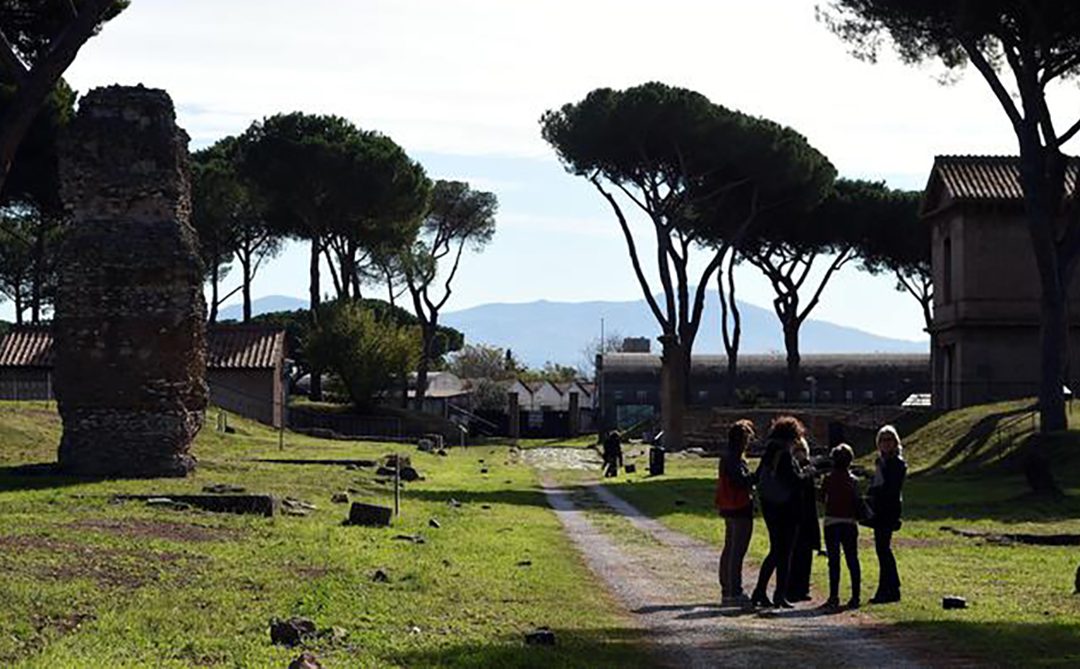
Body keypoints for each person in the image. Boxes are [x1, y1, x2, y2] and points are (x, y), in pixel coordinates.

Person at [750, 416, 808, 609]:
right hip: (785, 507)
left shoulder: (768, 452)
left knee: (776, 550)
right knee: (784, 551)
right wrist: (808, 473)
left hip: (769, 505)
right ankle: (778, 594)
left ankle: (761, 591)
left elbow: (758, 477)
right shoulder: (784, 454)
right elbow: (794, 481)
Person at [716, 419, 757, 607]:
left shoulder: (726, 457)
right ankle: (734, 591)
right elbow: (740, 481)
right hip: (739, 507)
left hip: (728, 506)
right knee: (737, 551)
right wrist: (757, 475)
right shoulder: (734, 459)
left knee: (729, 549)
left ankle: (727, 589)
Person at [868, 425, 907, 604]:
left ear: (895, 442)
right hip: (879, 509)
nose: (885, 444)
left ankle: (887, 590)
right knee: (882, 550)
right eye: (882, 440)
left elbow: (891, 488)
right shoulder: (881, 462)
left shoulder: (897, 464)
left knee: (883, 550)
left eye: (889, 440)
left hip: (888, 510)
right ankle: (891, 588)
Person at [822, 443, 861, 609]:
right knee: (852, 559)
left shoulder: (828, 479)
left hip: (831, 521)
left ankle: (833, 595)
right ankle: (855, 596)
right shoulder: (853, 481)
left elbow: (822, 497)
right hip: (849, 522)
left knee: (834, 560)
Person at [786, 439, 820, 603]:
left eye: (802, 450)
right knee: (795, 553)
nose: (800, 454)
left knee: (806, 553)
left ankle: (803, 587)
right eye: (797, 450)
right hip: (794, 514)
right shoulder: (792, 468)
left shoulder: (808, 468)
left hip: (807, 515)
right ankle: (791, 587)